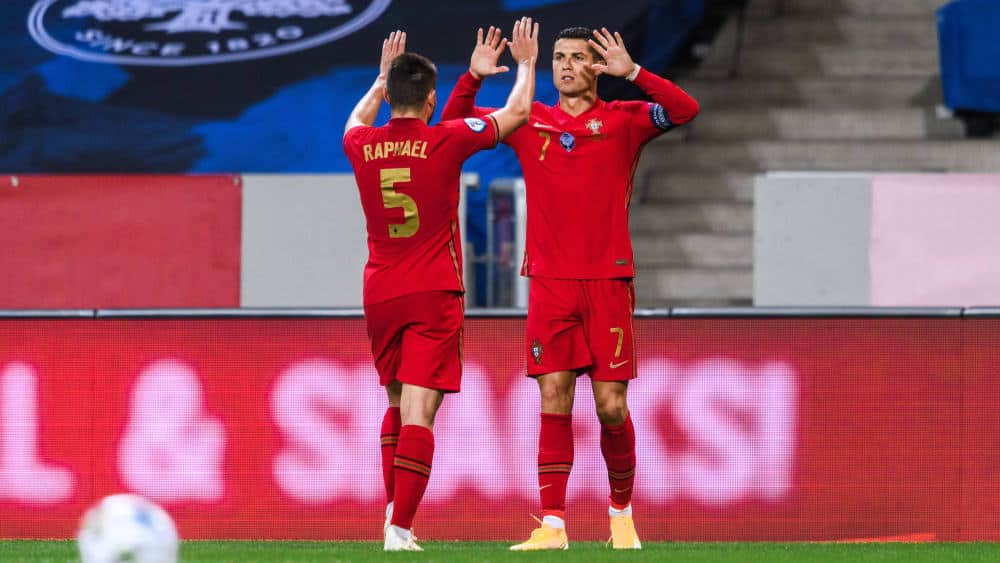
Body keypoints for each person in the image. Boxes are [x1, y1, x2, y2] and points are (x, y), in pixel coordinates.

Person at [441, 25, 699, 550]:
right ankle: (553, 525)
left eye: (577, 57)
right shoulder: (527, 119)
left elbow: (685, 109)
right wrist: (472, 77)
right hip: (550, 283)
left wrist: (635, 73)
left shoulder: (625, 120)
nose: (565, 65)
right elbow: (452, 126)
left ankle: (621, 515)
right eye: (558, 57)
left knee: (610, 406)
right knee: (553, 398)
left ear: (596, 67)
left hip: (608, 280)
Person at [342, 20, 538, 552]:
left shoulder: (361, 144)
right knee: (420, 413)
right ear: (431, 99)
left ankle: (393, 513)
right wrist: (525, 63)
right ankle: (400, 530)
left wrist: (379, 79)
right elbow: (518, 113)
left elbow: (353, 121)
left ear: (390, 97)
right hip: (433, 292)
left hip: (380, 292)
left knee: (396, 401)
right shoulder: (444, 140)